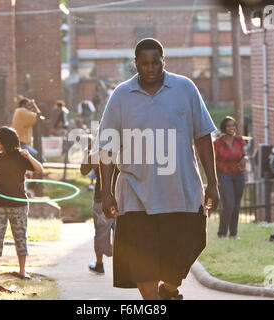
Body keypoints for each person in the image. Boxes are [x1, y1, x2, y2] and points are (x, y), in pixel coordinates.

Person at [98, 38, 219, 300]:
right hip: (135, 193)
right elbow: (107, 148)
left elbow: (203, 136)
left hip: (181, 191)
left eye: (156, 63)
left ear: (164, 61)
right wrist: (106, 192)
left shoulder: (185, 88)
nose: (150, 68)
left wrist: (213, 183)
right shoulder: (121, 95)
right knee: (143, 261)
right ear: (136, 64)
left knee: (189, 245)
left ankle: (171, 289)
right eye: (144, 64)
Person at [0, 126, 43, 280]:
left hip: (19, 204)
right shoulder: (0, 156)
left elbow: (39, 169)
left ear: (4, 141)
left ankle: (22, 271)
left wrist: (29, 157)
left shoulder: (21, 156)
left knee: (20, 237)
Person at [80, 138, 119, 275]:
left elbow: (83, 170)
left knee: (101, 232)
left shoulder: (98, 152)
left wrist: (88, 152)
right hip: (122, 199)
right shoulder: (125, 149)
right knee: (121, 233)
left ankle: (99, 264)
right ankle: (122, 264)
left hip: (102, 199)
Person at [213, 116, 247, 238]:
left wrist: (244, 159)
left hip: (239, 174)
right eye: (228, 126)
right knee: (229, 204)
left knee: (237, 205)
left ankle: (233, 234)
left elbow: (244, 155)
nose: (231, 128)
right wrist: (215, 179)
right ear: (224, 128)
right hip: (224, 175)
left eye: (233, 125)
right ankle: (222, 233)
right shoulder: (217, 143)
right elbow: (213, 161)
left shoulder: (239, 140)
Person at [11, 98, 45, 163]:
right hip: (21, 144)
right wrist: (35, 106)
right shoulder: (22, 111)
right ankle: (37, 173)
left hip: (19, 143)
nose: (30, 107)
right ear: (23, 105)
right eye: (29, 105)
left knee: (31, 162)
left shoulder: (18, 111)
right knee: (40, 159)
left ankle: (33, 173)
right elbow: (40, 118)